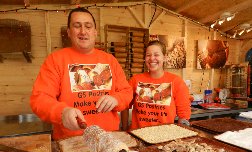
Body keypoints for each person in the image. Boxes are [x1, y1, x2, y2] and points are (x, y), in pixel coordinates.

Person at [30, 7, 133, 140]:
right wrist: (62, 112)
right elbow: (39, 99)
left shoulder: (110, 60)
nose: (83, 31)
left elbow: (126, 92)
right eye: (77, 26)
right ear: (69, 32)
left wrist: (116, 99)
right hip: (70, 141)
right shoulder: (55, 60)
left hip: (108, 138)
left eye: (88, 26)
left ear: (95, 32)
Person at [121, 40, 191, 130]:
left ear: (164, 58)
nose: (151, 58)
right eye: (148, 55)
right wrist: (125, 128)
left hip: (164, 137)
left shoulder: (176, 82)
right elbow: (124, 106)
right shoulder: (135, 80)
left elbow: (184, 114)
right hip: (138, 136)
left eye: (156, 55)